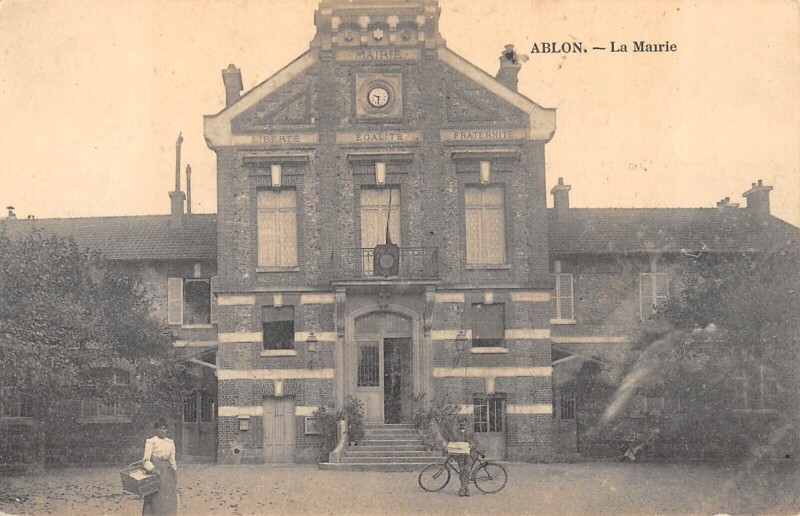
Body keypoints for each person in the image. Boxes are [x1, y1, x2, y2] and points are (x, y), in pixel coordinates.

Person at [141, 418, 178, 515]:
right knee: (156, 497)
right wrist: (153, 469)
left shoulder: (170, 442)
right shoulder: (151, 441)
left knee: (169, 496)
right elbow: (146, 460)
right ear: (156, 429)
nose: (162, 431)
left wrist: (174, 471)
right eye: (160, 428)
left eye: (164, 428)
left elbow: (172, 459)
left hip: (167, 471)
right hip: (156, 470)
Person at [453, 418, 481, 497]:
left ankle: (464, 488)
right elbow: (453, 442)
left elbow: (476, 443)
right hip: (460, 455)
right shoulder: (455, 432)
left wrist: (471, 445)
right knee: (461, 470)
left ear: (466, 424)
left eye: (464, 423)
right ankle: (465, 488)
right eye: (461, 423)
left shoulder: (471, 432)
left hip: (470, 454)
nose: (462, 424)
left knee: (467, 470)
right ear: (459, 424)